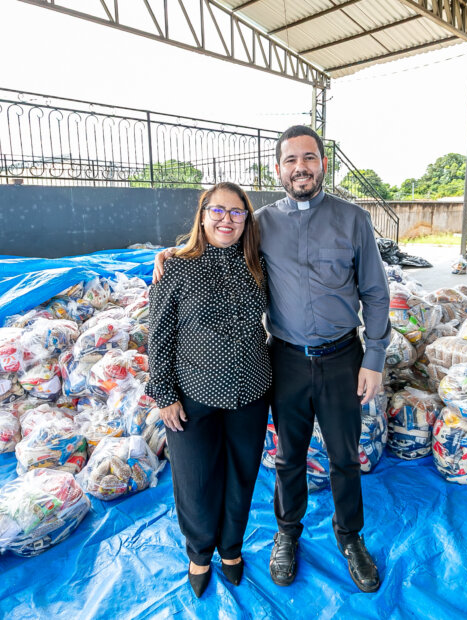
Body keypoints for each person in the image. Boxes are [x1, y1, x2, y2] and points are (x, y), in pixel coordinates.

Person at [155, 125, 390, 593]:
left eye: (309, 158)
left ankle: (351, 539)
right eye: (290, 160)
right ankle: (287, 533)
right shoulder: (260, 223)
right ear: (277, 168)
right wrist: (170, 256)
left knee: (345, 455)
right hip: (285, 360)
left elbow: (375, 291)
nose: (300, 167)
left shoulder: (354, 219)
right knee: (288, 457)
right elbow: (215, 243)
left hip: (344, 356)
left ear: (323, 164)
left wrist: (376, 357)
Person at [146, 182, 271, 597]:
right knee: (196, 480)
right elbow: (159, 335)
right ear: (202, 216)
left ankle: (231, 549)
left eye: (236, 213)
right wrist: (164, 395)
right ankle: (200, 553)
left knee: (242, 475)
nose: (226, 220)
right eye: (217, 211)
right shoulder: (176, 267)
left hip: (251, 391)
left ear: (246, 220)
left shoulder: (257, 264)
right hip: (193, 395)